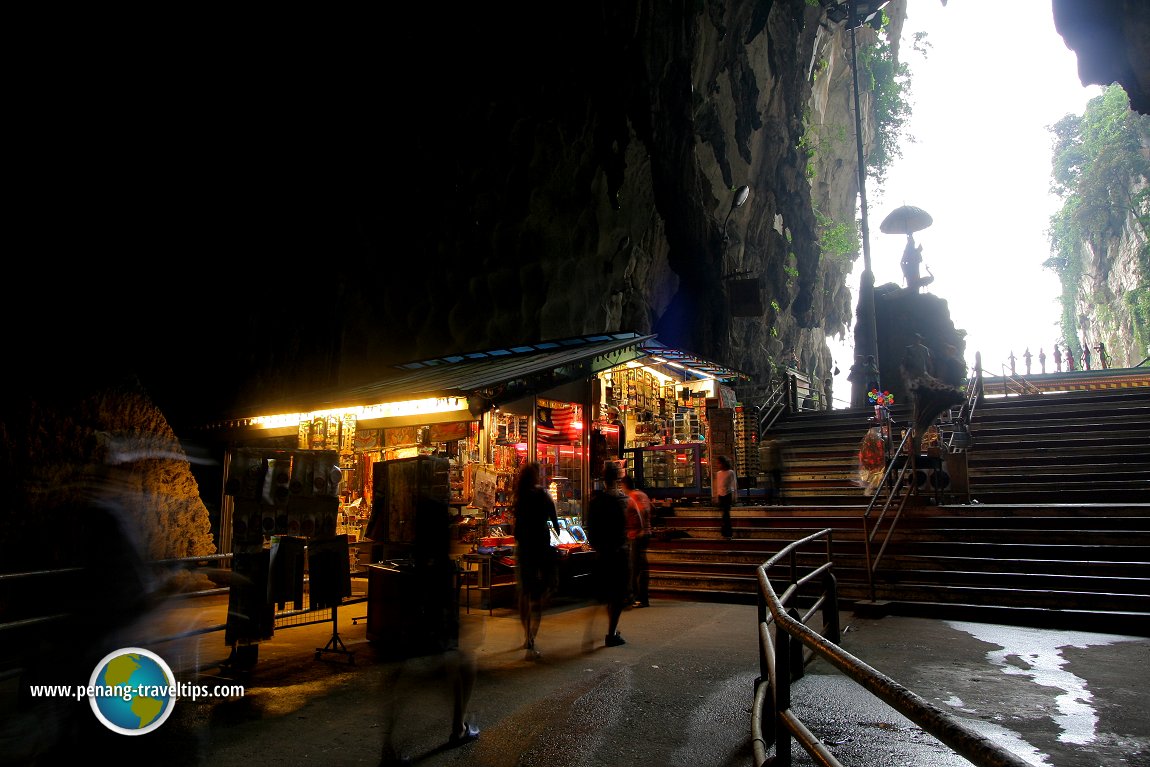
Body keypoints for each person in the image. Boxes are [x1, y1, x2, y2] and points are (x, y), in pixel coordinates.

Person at [379, 498, 479, 765]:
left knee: (410, 682)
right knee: (462, 668)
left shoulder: (419, 557)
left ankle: (390, 745)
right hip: (435, 627)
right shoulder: (441, 563)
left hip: (417, 624)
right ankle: (458, 728)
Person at [511, 462, 560, 656]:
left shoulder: (520, 497)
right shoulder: (543, 496)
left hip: (524, 548)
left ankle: (526, 636)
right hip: (540, 547)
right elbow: (555, 524)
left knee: (524, 592)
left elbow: (516, 526)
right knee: (538, 595)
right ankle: (533, 635)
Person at [584, 462, 630, 647]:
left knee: (606, 592)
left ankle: (605, 629)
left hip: (603, 552)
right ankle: (611, 633)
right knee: (617, 595)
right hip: (618, 552)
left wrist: (597, 547)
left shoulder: (596, 501)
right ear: (617, 479)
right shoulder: (622, 501)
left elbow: (591, 530)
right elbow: (625, 528)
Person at [620, 474, 652, 609]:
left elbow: (640, 512)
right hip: (646, 533)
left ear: (624, 485)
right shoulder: (643, 494)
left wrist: (639, 528)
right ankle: (641, 597)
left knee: (634, 567)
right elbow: (651, 509)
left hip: (637, 534)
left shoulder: (632, 497)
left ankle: (638, 597)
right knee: (641, 566)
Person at [713, 455, 738, 539]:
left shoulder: (730, 472)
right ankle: (726, 532)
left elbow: (733, 484)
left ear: (724, 463)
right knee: (725, 514)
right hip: (721, 495)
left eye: (719, 463)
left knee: (726, 514)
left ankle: (727, 532)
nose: (718, 465)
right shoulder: (718, 473)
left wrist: (735, 495)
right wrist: (716, 496)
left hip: (727, 494)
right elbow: (717, 485)